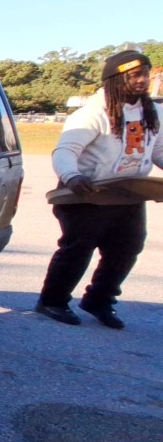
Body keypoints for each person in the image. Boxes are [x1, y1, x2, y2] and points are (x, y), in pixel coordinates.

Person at [35, 50, 163, 328]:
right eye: (135, 75)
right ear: (115, 79)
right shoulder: (93, 113)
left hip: (128, 193)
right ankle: (52, 301)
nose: (142, 80)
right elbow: (66, 150)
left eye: (145, 74)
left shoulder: (154, 112)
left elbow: (158, 151)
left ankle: (99, 300)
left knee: (127, 248)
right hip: (86, 192)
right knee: (78, 248)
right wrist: (71, 175)